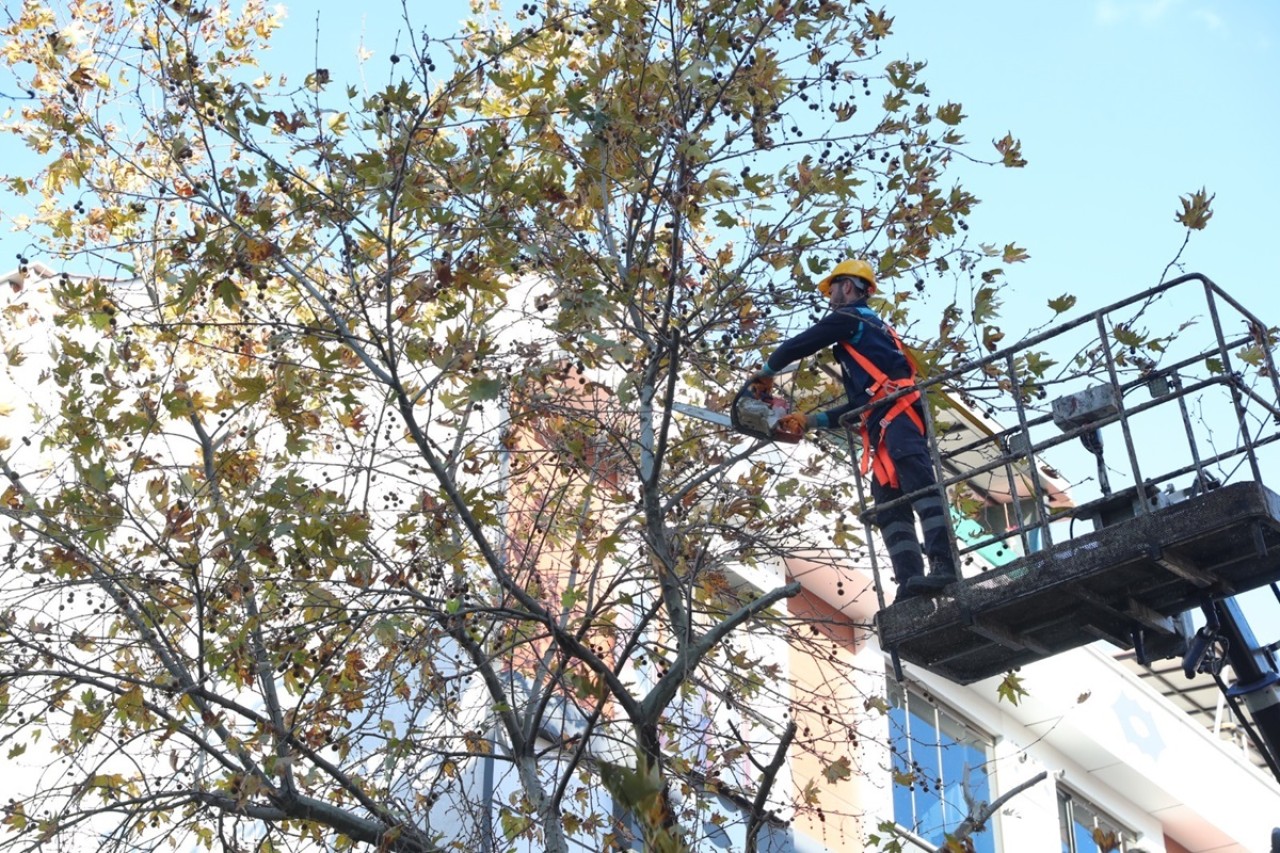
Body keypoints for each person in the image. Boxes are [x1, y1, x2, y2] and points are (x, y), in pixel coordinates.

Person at [750, 259, 956, 600]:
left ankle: (944, 567)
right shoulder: (864, 338)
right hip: (882, 422)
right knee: (890, 505)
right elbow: (858, 403)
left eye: (832, 288)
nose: (829, 296)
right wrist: (811, 421)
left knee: (921, 486)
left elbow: (800, 344)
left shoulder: (852, 319)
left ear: (848, 286)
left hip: (898, 417)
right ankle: (910, 584)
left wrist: (766, 372)